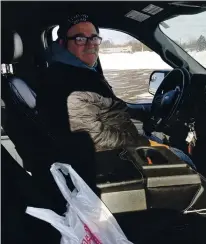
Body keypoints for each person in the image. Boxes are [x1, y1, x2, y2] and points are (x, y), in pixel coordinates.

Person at [36, 13, 195, 168]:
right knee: (183, 159)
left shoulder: (79, 72)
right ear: (63, 43)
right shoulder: (66, 82)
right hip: (110, 161)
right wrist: (142, 143)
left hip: (116, 148)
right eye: (80, 39)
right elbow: (93, 139)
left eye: (94, 38)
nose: (90, 44)